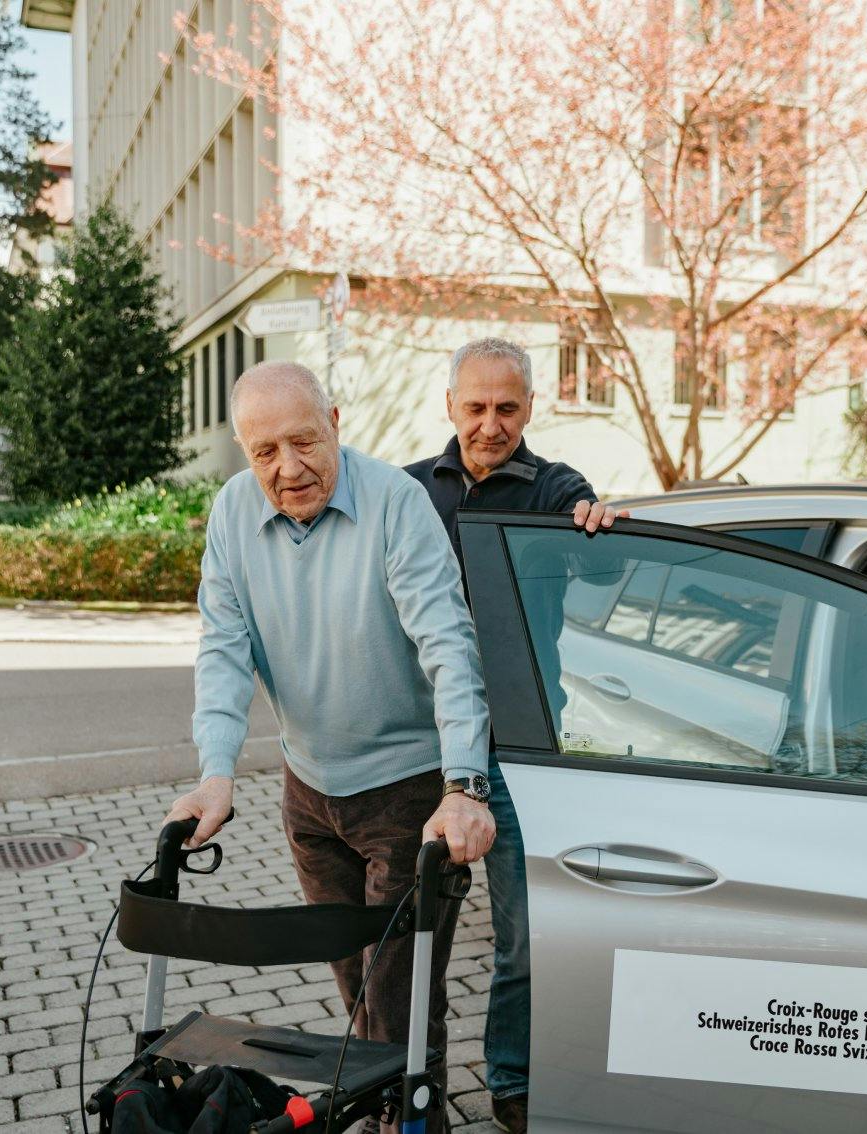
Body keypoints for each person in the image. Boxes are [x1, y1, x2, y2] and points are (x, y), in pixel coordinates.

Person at [164, 361, 494, 1133]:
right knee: (359, 995)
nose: (288, 468)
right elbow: (223, 649)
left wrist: (464, 785)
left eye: (304, 441)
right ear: (245, 452)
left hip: (409, 796)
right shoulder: (232, 512)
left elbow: (450, 645)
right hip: (309, 795)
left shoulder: (395, 502)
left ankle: (413, 1120)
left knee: (399, 1002)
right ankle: (384, 1109)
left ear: (336, 423)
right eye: (265, 452)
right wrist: (215, 773)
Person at [404, 337, 626, 1134]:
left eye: (506, 407)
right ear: (450, 405)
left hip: (519, 745)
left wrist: (597, 526)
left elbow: (603, 570)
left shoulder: (558, 490)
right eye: (476, 407)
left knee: (525, 935)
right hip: (419, 746)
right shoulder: (409, 491)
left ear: (530, 407)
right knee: (410, 935)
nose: (490, 424)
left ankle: (512, 1079)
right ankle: (408, 1082)